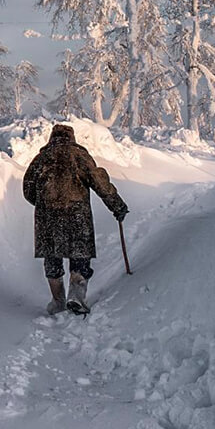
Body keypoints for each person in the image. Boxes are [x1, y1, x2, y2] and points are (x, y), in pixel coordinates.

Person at [22, 124, 129, 315]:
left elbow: (28, 189)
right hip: (77, 215)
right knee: (79, 256)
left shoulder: (40, 159)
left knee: (52, 259)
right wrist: (117, 206)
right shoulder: (79, 156)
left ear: (51, 138)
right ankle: (76, 297)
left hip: (48, 218)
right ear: (72, 138)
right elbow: (100, 182)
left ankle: (57, 301)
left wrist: (44, 203)